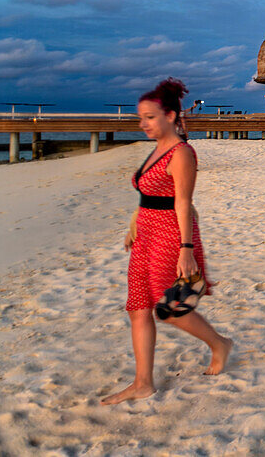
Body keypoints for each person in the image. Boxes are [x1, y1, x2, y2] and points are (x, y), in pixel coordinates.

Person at [102, 78, 232, 405]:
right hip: (145, 233)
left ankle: (219, 344)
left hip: (171, 235)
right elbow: (149, 192)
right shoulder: (155, 149)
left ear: (171, 116)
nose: (143, 124)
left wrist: (186, 250)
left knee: (171, 309)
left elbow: (183, 202)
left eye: (150, 117)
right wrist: (134, 221)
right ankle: (143, 382)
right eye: (141, 118)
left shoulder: (181, 153)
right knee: (138, 309)